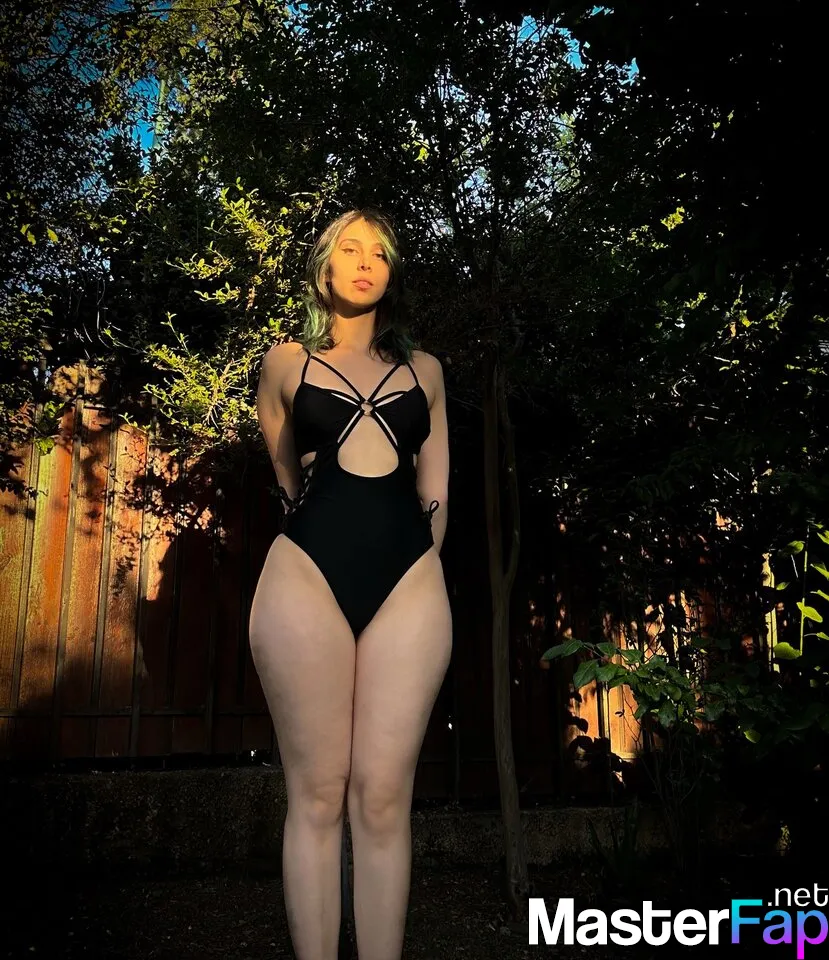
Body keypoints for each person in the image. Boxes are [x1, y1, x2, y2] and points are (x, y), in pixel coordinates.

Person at [249, 207, 452, 960]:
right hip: (306, 575)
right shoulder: (285, 362)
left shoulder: (425, 371)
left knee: (384, 797)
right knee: (316, 794)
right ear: (324, 268)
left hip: (409, 581)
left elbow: (435, 495)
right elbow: (284, 475)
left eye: (380, 253)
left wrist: (415, 566)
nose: (365, 262)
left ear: (391, 273)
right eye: (350, 249)